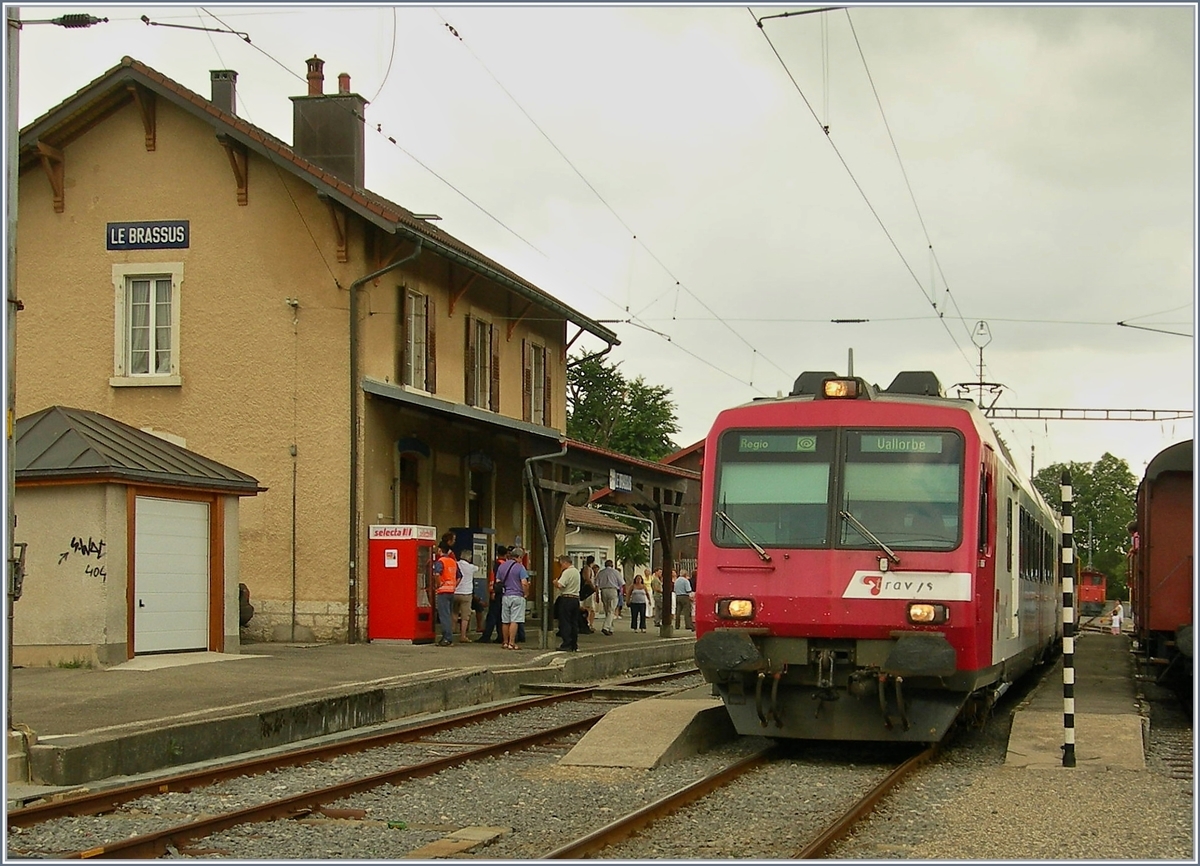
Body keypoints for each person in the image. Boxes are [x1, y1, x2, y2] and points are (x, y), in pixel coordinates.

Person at [497, 546, 530, 650]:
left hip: (505, 596)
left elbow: (498, 581)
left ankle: (505, 642)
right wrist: (526, 593)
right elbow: (524, 583)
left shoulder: (502, 566)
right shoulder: (520, 567)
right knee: (514, 620)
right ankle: (511, 643)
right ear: (519, 557)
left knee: (505, 621)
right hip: (517, 596)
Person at [432, 541, 459, 647]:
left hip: (443, 591)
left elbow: (436, 574)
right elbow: (459, 576)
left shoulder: (440, 561)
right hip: (451, 591)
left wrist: (438, 584)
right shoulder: (453, 561)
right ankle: (448, 637)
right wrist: (454, 585)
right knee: (448, 615)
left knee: (444, 616)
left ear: (440, 550)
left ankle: (447, 638)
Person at [479, 545, 507, 644]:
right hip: (504, 592)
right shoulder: (507, 565)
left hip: (497, 591)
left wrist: (493, 591)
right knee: (500, 616)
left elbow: (494, 579)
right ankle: (501, 636)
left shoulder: (497, 565)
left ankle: (486, 636)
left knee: (492, 615)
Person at [555, 555, 581, 651]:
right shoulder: (576, 572)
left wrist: (555, 583)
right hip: (575, 599)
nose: (561, 566)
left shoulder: (567, 572)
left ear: (565, 563)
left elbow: (560, 585)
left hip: (567, 598)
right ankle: (574, 644)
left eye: (561, 564)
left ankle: (567, 643)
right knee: (574, 622)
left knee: (565, 622)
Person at [594, 559, 625, 636]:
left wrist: (597, 595)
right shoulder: (615, 572)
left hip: (603, 590)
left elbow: (596, 584)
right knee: (611, 610)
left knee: (607, 609)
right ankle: (606, 627)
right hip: (613, 590)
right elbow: (622, 583)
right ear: (612, 565)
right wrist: (624, 592)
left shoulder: (601, 572)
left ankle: (611, 628)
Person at [454, 549, 478, 642]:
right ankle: (463, 635)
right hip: (466, 593)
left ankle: (452, 632)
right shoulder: (471, 567)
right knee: (465, 616)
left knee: (454, 613)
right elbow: (478, 568)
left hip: (455, 591)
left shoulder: (456, 564)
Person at [579, 565, 597, 633]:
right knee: (590, 609)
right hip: (588, 591)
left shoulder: (586, 569)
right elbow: (588, 579)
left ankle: (587, 623)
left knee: (588, 608)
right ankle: (589, 624)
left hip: (585, 591)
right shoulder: (588, 569)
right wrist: (593, 588)